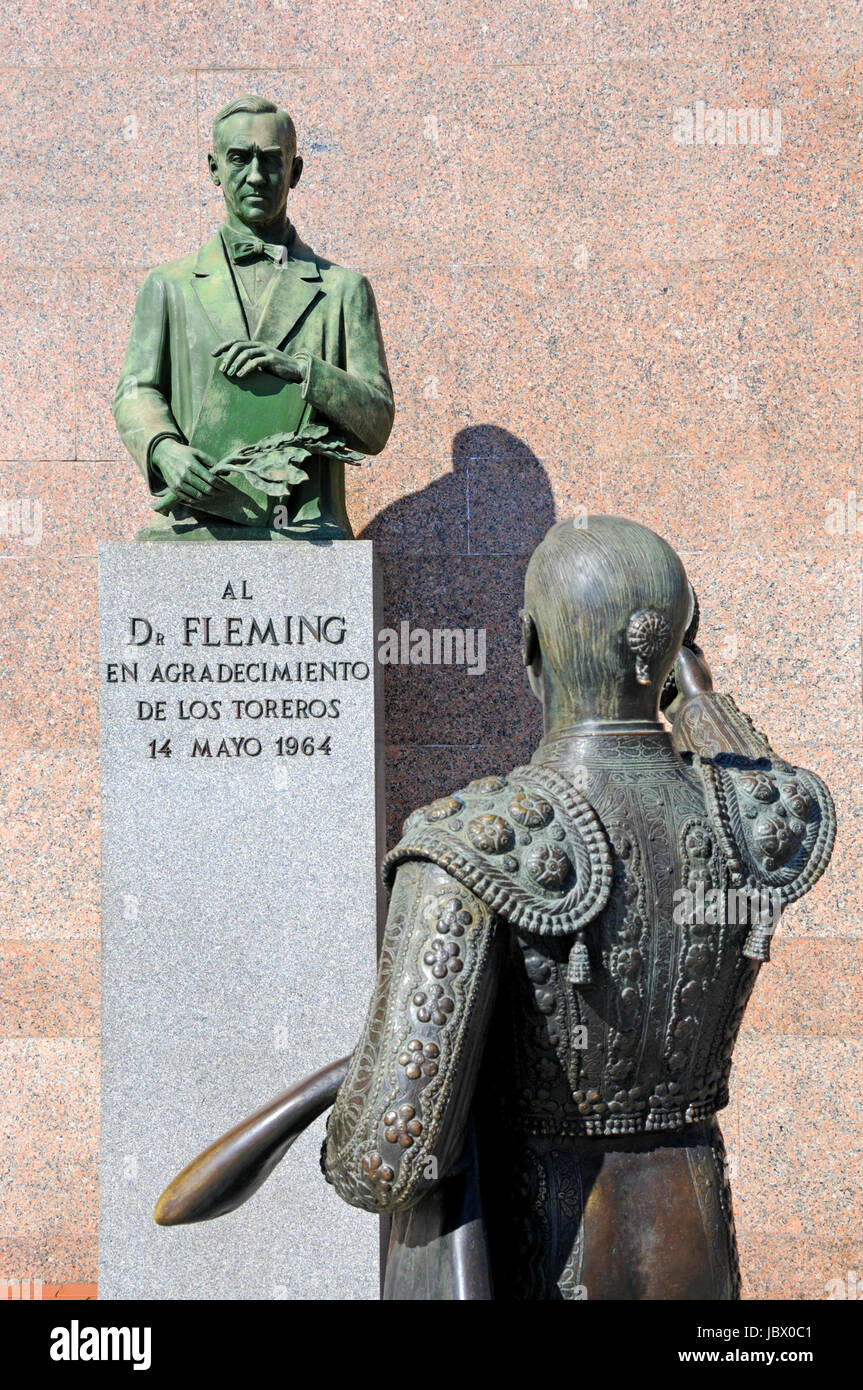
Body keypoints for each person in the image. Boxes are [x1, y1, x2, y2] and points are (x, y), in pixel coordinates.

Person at [321, 515, 835, 1299]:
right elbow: (765, 775)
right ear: (666, 656)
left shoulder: (468, 841)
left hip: (544, 1252)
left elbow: (380, 1166)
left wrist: (361, 1100)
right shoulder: (753, 822)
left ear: (528, 646)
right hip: (694, 1239)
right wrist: (689, 685)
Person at [114, 95, 393, 541]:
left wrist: (304, 371)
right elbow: (136, 390)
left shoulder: (343, 291)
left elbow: (376, 424)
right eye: (239, 159)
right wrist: (162, 450)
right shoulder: (168, 286)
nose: (256, 176)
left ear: (295, 171)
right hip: (193, 528)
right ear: (213, 168)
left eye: (271, 161)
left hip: (306, 532)